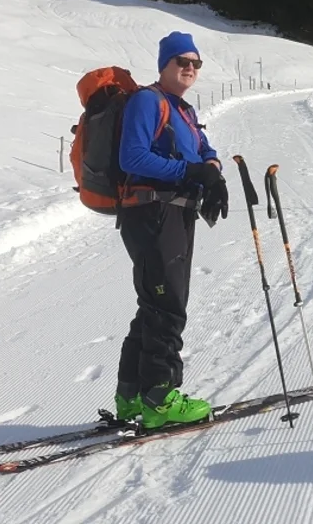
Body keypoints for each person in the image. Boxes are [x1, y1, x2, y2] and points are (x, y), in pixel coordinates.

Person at [113, 30, 229, 430]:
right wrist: (189, 171)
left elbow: (204, 151)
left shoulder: (183, 111)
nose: (190, 68)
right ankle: (160, 401)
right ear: (164, 65)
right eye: (182, 61)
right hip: (151, 214)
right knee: (167, 307)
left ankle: (130, 396)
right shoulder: (148, 101)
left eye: (196, 63)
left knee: (155, 304)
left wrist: (212, 175)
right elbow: (133, 156)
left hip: (174, 213)